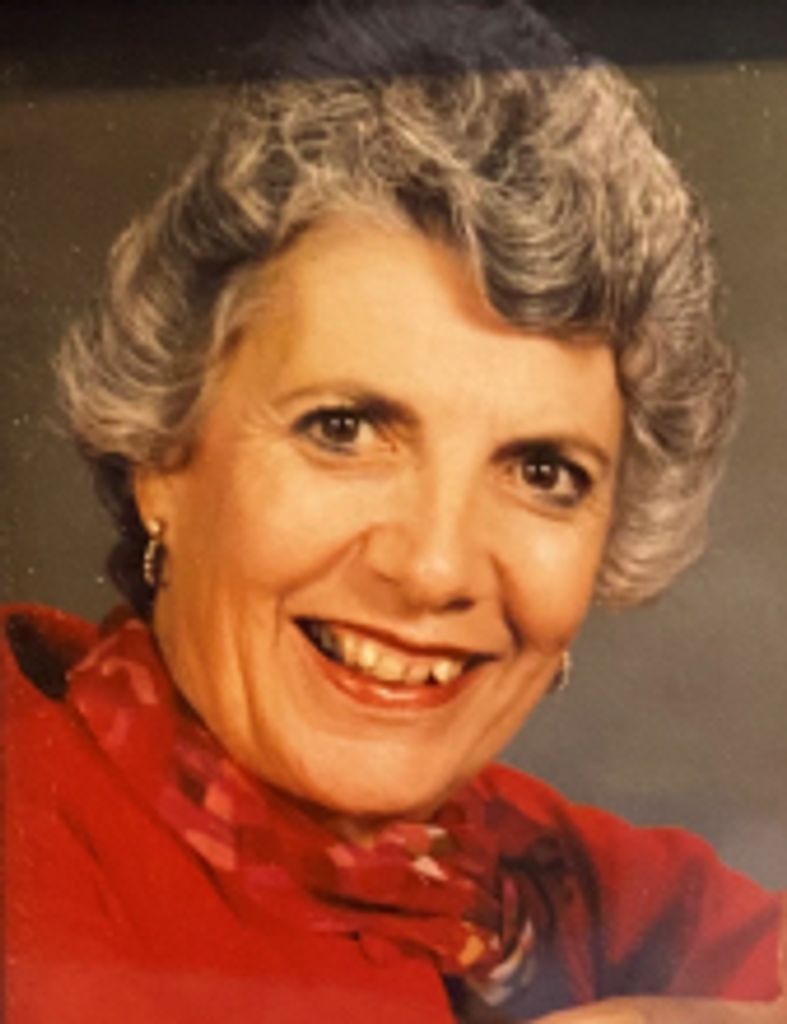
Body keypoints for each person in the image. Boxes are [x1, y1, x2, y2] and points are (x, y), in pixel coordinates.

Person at [3, 1, 784, 1021]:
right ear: (164, 457)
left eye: (542, 471)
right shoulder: (32, 833)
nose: (433, 568)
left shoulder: (513, 865)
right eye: (344, 428)